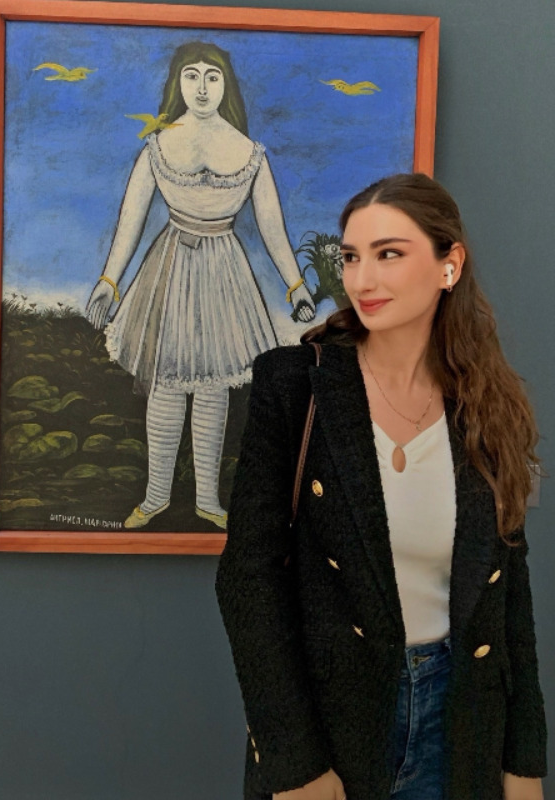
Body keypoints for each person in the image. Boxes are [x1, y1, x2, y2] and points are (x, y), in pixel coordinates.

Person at [216, 173, 547, 800]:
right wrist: (295, 762)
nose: (362, 279)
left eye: (388, 254)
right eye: (350, 257)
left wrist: (524, 762)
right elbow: (247, 579)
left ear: (450, 265)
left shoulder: (487, 404)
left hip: (462, 724)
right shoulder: (295, 385)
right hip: (332, 724)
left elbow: (509, 599)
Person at [86, 42, 314, 531]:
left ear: (226, 85)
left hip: (224, 273)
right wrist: (109, 281)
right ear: (178, 83)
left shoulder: (250, 153)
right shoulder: (157, 146)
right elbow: (130, 220)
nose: (203, 87)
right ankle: (155, 497)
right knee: (166, 381)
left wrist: (296, 284)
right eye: (192, 75)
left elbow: (272, 227)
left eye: (213, 76)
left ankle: (208, 500)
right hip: (168, 269)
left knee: (212, 386)